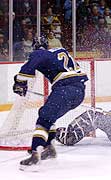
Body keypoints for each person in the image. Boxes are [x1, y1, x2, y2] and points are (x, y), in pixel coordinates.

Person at [13, 35, 88, 170]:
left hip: (65, 89)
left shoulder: (39, 52)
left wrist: (19, 82)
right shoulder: (60, 51)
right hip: (79, 91)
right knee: (47, 114)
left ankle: (36, 154)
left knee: (44, 118)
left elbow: (28, 68)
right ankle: (49, 148)